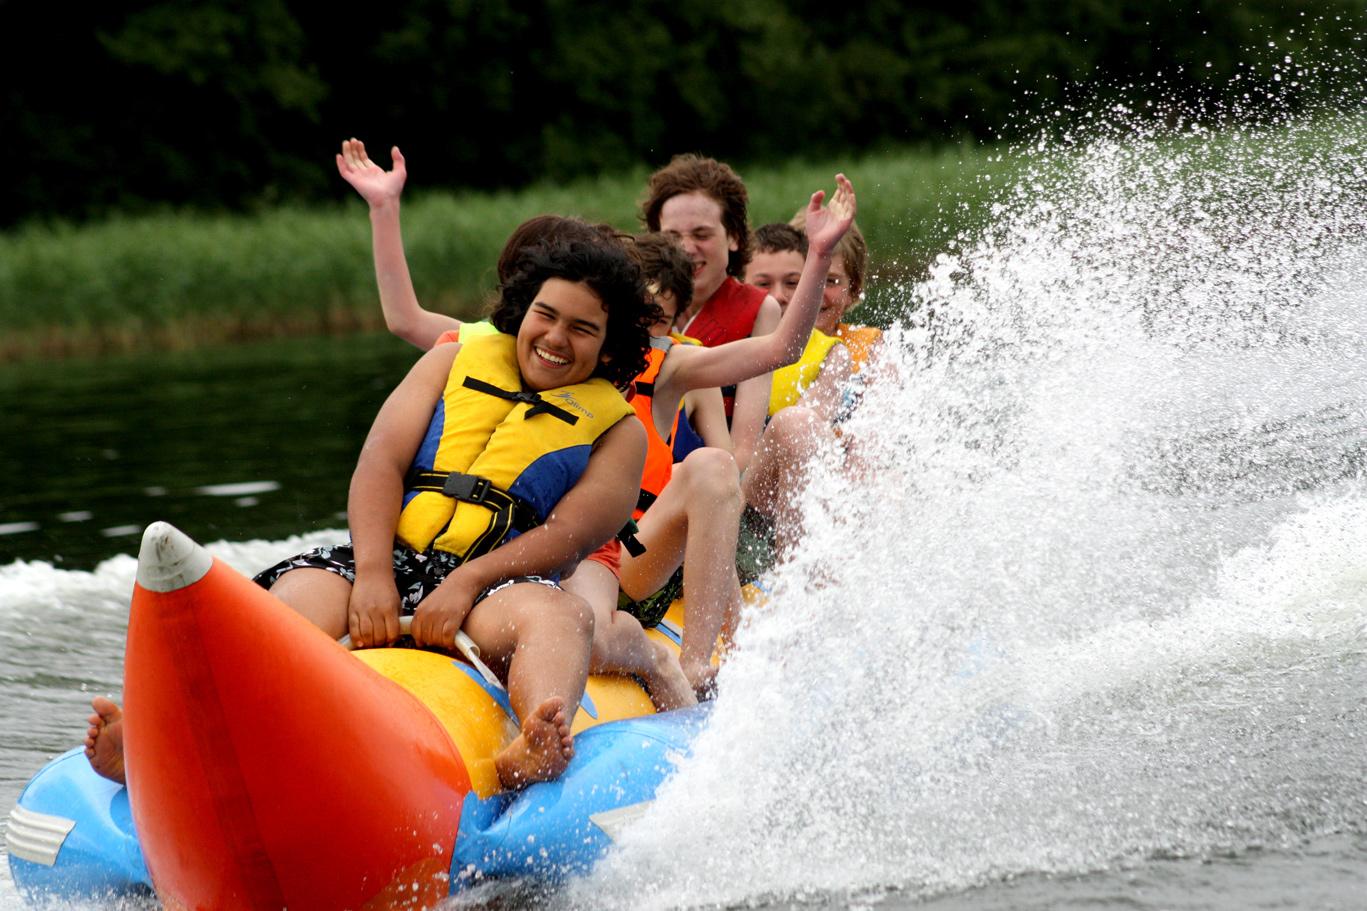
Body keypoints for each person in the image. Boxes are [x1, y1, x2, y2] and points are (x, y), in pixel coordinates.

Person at [89, 239, 657, 792]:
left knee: (563, 617)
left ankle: (532, 744)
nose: (555, 338)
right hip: (392, 559)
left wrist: (465, 582)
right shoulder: (451, 360)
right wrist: (374, 573)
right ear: (523, 311)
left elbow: (569, 537)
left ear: (609, 349)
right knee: (291, 601)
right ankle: (162, 748)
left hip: (499, 585)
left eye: (581, 329)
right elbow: (380, 462)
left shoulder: (619, 431)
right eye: (545, 315)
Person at [640, 155, 781, 472]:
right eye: (672, 237)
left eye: (701, 235)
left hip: (718, 472)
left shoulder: (760, 310)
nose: (686, 248)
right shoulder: (634, 305)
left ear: (734, 237)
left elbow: (744, 448)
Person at [744, 223, 853, 419]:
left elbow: (802, 430)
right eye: (763, 284)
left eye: (792, 283)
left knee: (793, 421)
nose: (778, 296)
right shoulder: (725, 341)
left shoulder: (833, 355)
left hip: (792, 433)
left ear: (811, 285)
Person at [787, 211, 882, 371]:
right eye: (803, 279)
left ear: (853, 290)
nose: (815, 294)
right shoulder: (761, 347)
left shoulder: (868, 350)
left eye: (831, 281)